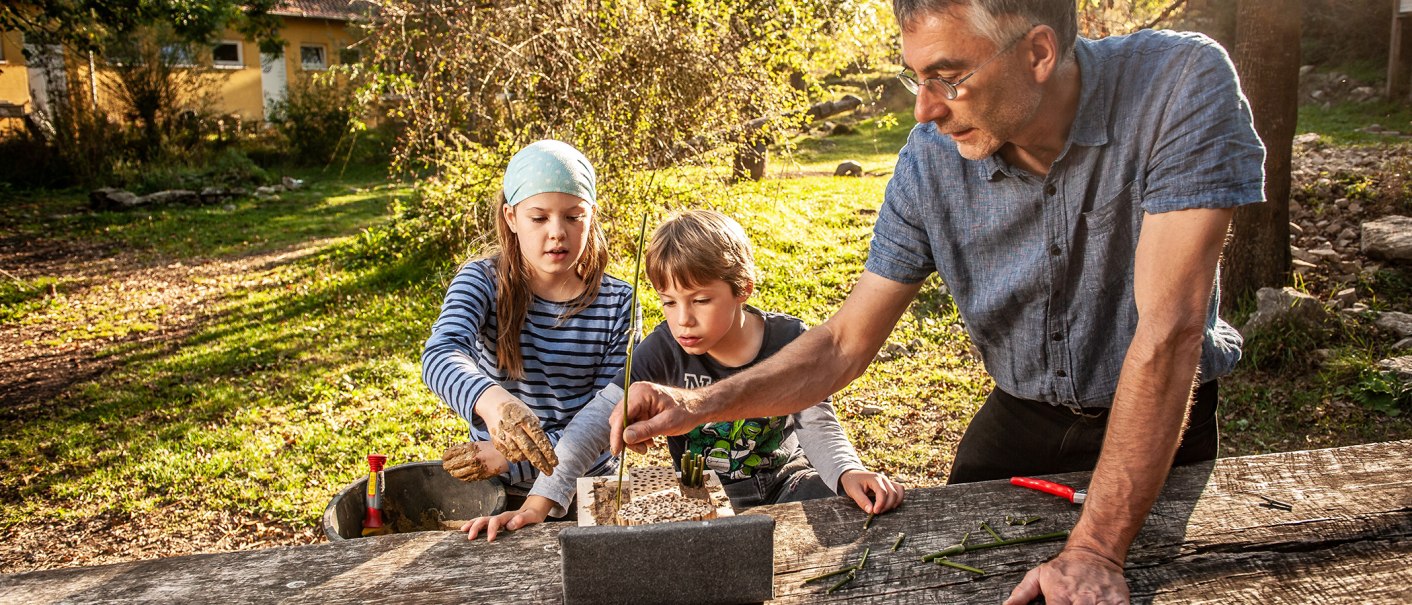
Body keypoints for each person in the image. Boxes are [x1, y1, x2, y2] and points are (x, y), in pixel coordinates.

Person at [611, 1, 1265, 603]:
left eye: (947, 78)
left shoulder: (1180, 84)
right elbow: (843, 343)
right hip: (1023, 413)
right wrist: (697, 403)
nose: (924, 109)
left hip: (1163, 409)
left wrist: (1094, 548)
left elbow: (1169, 331)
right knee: (953, 579)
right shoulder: (928, 163)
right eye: (915, 78)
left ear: (1038, 53)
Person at [463, 210, 904, 541]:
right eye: (668, 302)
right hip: (699, 496)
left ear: (742, 289)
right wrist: (539, 503)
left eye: (700, 300)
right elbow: (592, 426)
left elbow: (818, 423)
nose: (683, 321)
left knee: (858, 522)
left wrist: (848, 473)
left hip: (789, 483)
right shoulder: (660, 350)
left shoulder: (790, 340)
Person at [423, 139, 637, 493]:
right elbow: (441, 353)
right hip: (494, 489)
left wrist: (511, 458)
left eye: (573, 216)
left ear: (591, 216)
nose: (557, 231)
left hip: (582, 487)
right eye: (538, 217)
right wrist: (493, 402)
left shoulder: (619, 304)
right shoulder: (480, 281)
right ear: (511, 218)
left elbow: (602, 423)